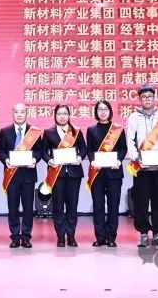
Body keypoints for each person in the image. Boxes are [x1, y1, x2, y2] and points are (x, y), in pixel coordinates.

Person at [127, 84, 158, 248]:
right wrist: (135, 158)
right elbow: (130, 141)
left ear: (154, 98)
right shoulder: (133, 117)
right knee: (140, 200)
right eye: (144, 97)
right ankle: (143, 233)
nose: (147, 99)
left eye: (149, 96)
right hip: (141, 166)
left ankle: (157, 233)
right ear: (140, 99)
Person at [0, 103, 45, 248]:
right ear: (12, 113)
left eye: (22, 112)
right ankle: (14, 237)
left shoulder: (34, 132)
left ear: (26, 114)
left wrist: (34, 159)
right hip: (11, 175)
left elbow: (39, 151)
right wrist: (6, 160)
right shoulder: (5, 131)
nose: (19, 115)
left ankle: (26, 236)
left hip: (28, 175)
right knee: (12, 208)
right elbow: (1, 151)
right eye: (16, 112)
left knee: (28, 208)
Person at [43, 104, 88, 247]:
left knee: (72, 206)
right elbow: (43, 151)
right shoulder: (48, 132)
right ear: (55, 116)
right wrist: (49, 160)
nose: (62, 116)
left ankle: (71, 236)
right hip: (56, 173)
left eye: (64, 114)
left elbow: (84, 148)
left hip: (74, 173)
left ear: (69, 116)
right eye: (59, 114)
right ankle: (61, 237)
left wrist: (80, 158)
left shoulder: (76, 131)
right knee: (57, 206)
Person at [86, 100, 127, 247]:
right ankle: (100, 237)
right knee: (98, 206)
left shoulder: (118, 129)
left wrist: (119, 161)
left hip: (114, 173)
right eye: (100, 109)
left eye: (105, 109)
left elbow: (123, 148)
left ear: (110, 111)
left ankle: (111, 237)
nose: (102, 112)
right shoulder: (91, 129)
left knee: (113, 206)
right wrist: (92, 160)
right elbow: (89, 149)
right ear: (96, 112)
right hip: (97, 173)